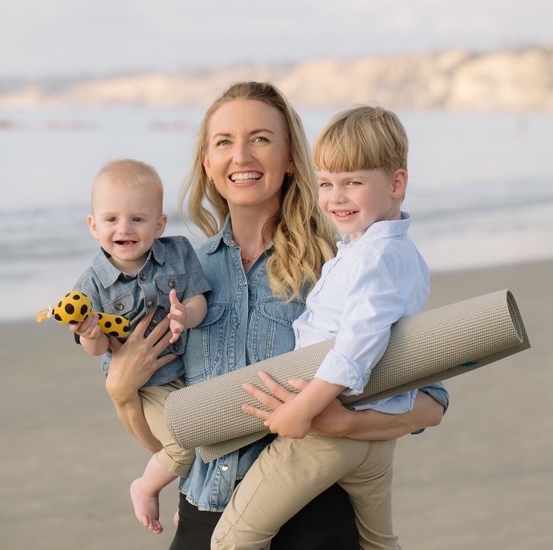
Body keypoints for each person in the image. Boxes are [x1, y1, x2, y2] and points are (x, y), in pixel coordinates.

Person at [103, 82, 449, 549]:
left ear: (290, 159)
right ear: (208, 162)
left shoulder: (340, 262)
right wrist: (122, 394)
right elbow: (179, 434)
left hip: (313, 514)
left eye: (260, 139)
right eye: (224, 142)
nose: (241, 156)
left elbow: (429, 402)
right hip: (205, 512)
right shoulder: (178, 277)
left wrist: (344, 425)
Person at [211, 104, 424, 549]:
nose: (335, 198)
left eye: (353, 183)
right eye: (326, 183)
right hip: (375, 433)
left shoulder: (373, 257)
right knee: (378, 542)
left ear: (397, 183)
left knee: (232, 540)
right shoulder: (390, 252)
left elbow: (358, 343)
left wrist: (304, 408)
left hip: (327, 430)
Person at [69, 159, 210, 535]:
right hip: (147, 385)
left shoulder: (178, 252)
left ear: (159, 224)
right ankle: (145, 487)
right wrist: (91, 332)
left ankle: (191, 498)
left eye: (137, 219)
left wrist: (186, 316)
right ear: (93, 225)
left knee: (210, 438)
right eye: (111, 219)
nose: (124, 229)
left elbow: (198, 300)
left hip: (190, 371)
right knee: (182, 445)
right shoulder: (91, 285)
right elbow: (95, 351)